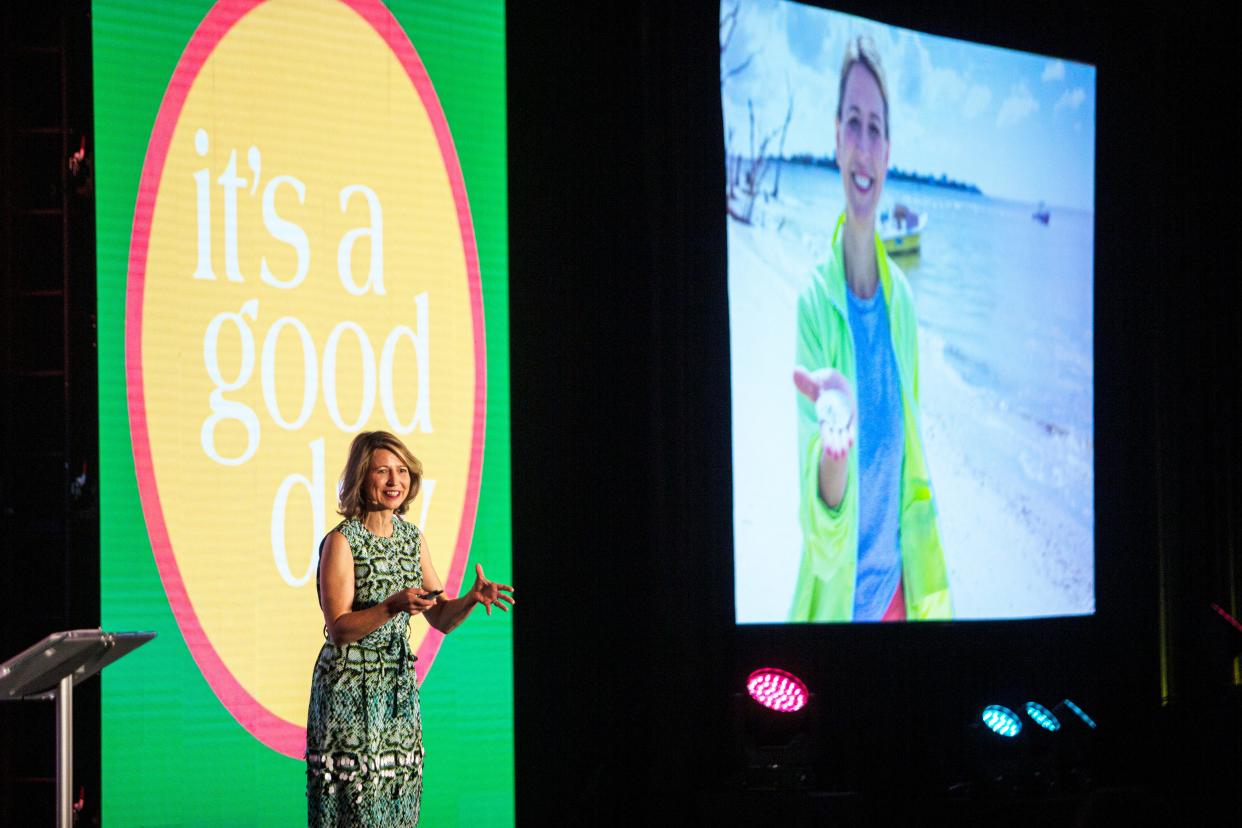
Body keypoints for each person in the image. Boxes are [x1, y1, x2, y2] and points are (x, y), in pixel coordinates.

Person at [791, 36, 951, 622]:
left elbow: (912, 465)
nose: (864, 145)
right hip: (838, 610)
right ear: (835, 139)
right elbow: (821, 532)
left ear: (888, 152)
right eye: (853, 124)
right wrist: (836, 448)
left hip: (903, 600)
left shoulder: (904, 303)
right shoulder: (813, 303)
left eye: (876, 129)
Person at [306, 431, 513, 826]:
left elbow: (440, 618)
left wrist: (470, 598)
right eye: (382, 471)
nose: (394, 481)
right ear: (361, 478)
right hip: (350, 692)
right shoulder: (341, 542)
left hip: (397, 692)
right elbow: (340, 629)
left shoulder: (412, 538)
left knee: (398, 806)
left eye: (401, 471)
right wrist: (392, 606)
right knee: (358, 810)